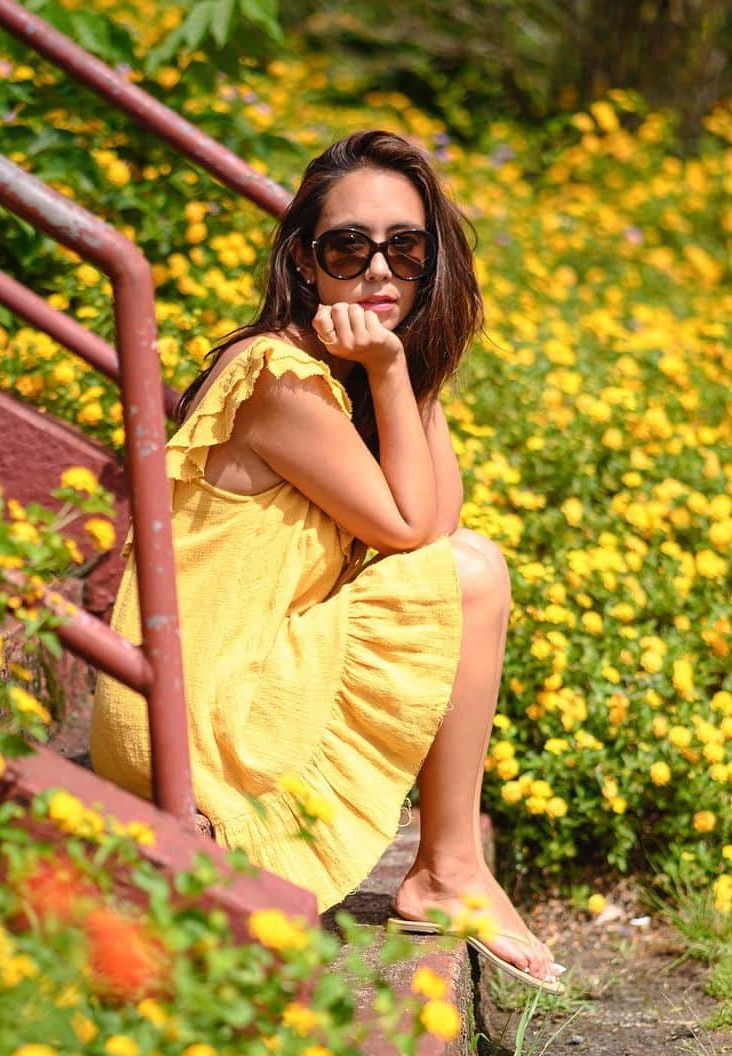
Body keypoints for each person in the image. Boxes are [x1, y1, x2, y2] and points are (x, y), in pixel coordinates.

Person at [90, 129, 564, 993]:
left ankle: (449, 866)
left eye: (406, 249)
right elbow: (417, 531)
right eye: (350, 247)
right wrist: (388, 366)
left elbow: (433, 514)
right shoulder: (278, 377)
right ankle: (448, 868)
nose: (378, 272)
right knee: (473, 572)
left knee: (468, 565)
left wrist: (405, 363)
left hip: (208, 686)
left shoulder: (334, 369)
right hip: (194, 715)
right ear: (306, 264)